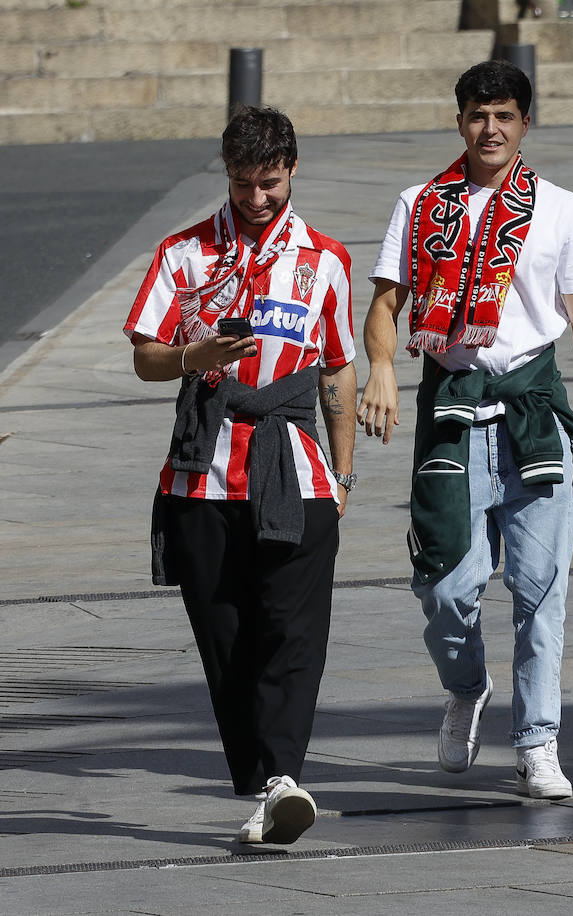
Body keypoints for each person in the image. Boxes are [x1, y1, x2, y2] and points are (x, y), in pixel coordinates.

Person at [357, 60, 573, 800]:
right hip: (451, 408)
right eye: (477, 115)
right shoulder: (421, 204)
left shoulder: (561, 208)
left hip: (534, 410)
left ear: (526, 123)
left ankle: (537, 742)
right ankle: (467, 684)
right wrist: (381, 367)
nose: (490, 128)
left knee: (542, 591)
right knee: (444, 587)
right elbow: (384, 304)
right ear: (460, 121)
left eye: (504, 115)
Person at [124, 106, 356, 845]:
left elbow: (339, 370)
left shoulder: (326, 259)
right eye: (243, 182)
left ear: (292, 171)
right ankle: (261, 780)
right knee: (227, 639)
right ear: (225, 174)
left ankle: (286, 778)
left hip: (296, 473)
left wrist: (343, 476)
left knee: (293, 632)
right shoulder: (183, 253)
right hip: (202, 479)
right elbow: (145, 355)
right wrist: (195, 358)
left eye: (271, 183)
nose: (257, 198)